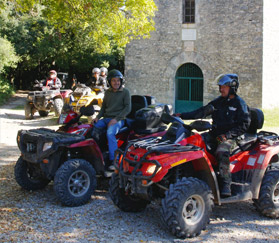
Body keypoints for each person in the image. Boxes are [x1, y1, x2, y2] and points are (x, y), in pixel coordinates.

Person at [174, 74, 250, 197]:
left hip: (232, 137)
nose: (221, 89)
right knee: (193, 142)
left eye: (224, 87)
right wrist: (182, 115)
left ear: (232, 88)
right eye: (220, 87)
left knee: (222, 151)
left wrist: (228, 135)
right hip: (215, 134)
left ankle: (226, 184)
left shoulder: (240, 104)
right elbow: (202, 111)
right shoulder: (218, 102)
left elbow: (244, 125)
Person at [92, 69, 131, 176]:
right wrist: (97, 117)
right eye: (114, 81)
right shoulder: (108, 92)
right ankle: (97, 153)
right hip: (106, 119)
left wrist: (116, 119)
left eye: (118, 81)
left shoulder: (125, 92)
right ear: (110, 81)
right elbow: (103, 107)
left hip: (119, 120)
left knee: (110, 132)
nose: (116, 83)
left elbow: (127, 109)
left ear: (121, 81)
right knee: (92, 128)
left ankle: (114, 160)